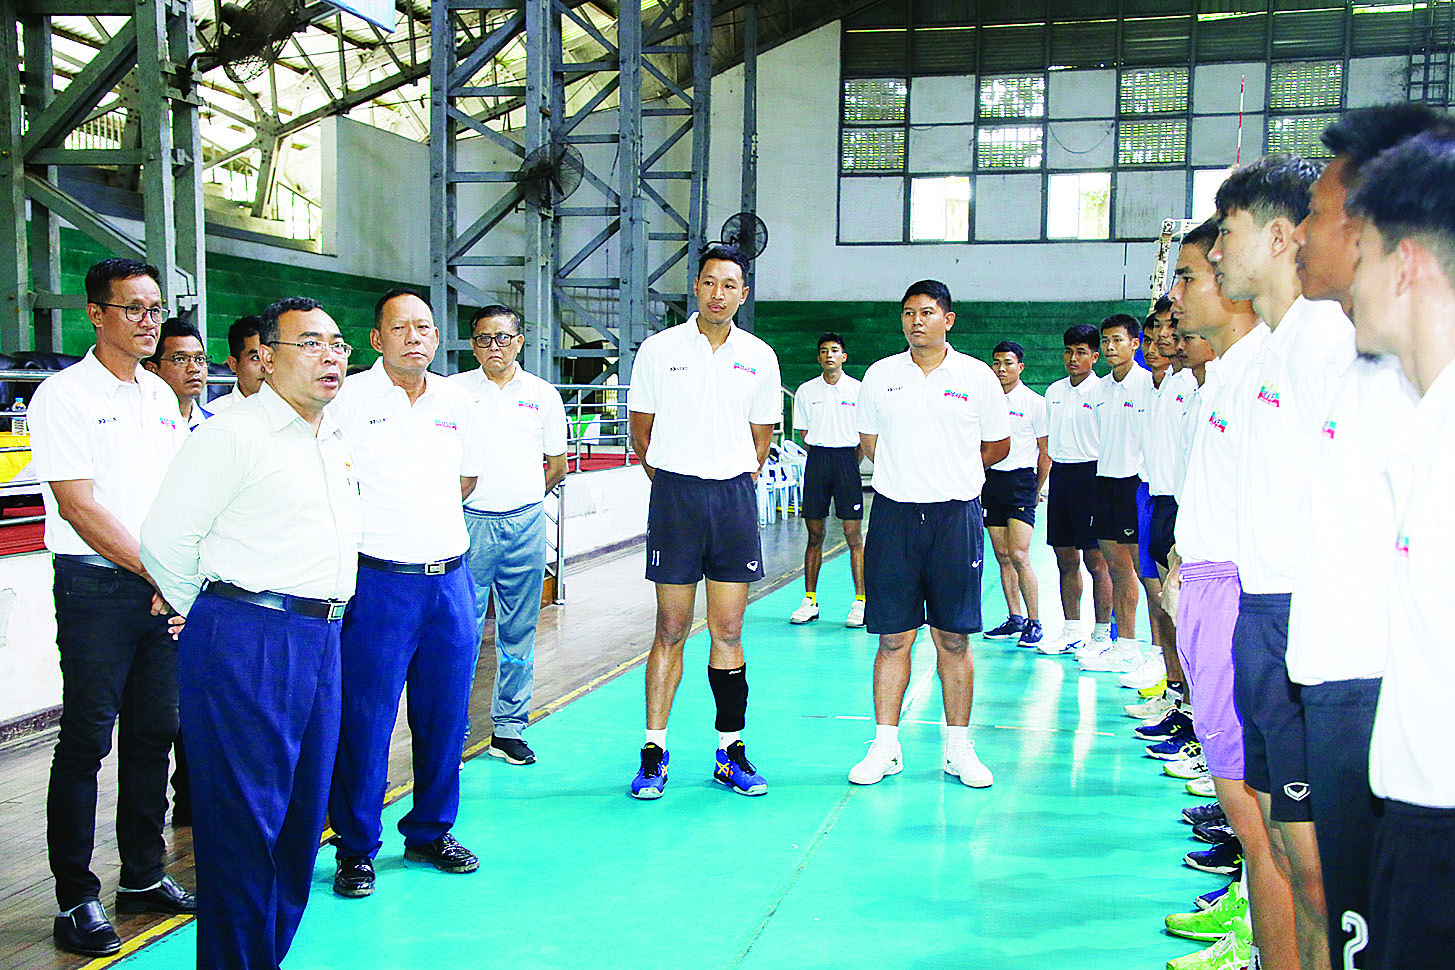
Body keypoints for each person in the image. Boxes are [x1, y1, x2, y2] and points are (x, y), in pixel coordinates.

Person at [140, 296, 360, 970]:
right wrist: (215, 613)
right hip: (250, 637)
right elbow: (164, 540)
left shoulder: (330, 438)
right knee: (243, 829)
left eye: (338, 344)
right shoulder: (234, 435)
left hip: (321, 639)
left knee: (300, 825)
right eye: (310, 343)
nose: (330, 357)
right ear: (263, 357)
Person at [1286, 106, 1449, 969]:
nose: (1341, 252)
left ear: (1401, 257)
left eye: (1363, 240)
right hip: (1402, 768)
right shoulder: (1413, 409)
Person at [1209, 152, 1353, 970]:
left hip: (1308, 621)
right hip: (1260, 615)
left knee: (1320, 874)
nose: (1216, 251)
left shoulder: (1326, 340)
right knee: (1288, 858)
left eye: (1226, 233)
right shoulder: (1266, 350)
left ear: (1276, 236)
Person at [28, 258, 193, 958]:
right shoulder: (62, 396)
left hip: (158, 585)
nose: (149, 321)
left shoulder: (158, 395)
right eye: (133, 309)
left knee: (153, 734)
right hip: (96, 587)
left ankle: (143, 876)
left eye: (155, 309)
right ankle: (75, 898)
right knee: (86, 740)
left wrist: (176, 573)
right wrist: (157, 570)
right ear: (97, 314)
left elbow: (175, 495)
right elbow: (79, 505)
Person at [326, 288, 482, 897]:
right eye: (400, 327)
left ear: (437, 337)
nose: (414, 337)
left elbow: (466, 478)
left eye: (424, 327)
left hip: (449, 582)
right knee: (366, 720)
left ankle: (430, 832)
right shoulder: (347, 399)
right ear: (376, 339)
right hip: (378, 584)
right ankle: (356, 846)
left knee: (445, 717)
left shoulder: (456, 400)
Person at [1166, 219, 1292, 970]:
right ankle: (1251, 925)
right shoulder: (1229, 373)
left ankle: (1261, 945)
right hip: (1211, 589)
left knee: (1259, 818)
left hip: (1241, 597)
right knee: (1249, 813)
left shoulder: (1262, 372)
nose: (1176, 294)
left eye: (1188, 276)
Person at [1345, 127, 1455, 970]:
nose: (1350, 281)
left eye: (1363, 254)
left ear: (1405, 265)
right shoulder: (1424, 426)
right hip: (1415, 812)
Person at [626, 243, 782, 799]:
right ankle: (654, 751)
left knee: (729, 631)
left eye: (730, 285)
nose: (719, 294)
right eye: (710, 282)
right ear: (696, 287)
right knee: (670, 628)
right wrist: (678, 477)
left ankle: (729, 751)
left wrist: (724, 475)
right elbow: (641, 432)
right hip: (675, 498)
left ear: (743, 293)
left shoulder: (759, 356)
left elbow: (760, 440)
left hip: (733, 499)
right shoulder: (658, 349)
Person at [846, 280, 1010, 788]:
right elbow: (869, 442)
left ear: (948, 319)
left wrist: (950, 472)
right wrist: (911, 476)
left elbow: (997, 445)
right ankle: (885, 747)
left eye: (927, 312)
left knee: (953, 638)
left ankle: (958, 749)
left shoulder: (977, 377)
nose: (916, 321)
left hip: (956, 518)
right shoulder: (880, 375)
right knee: (893, 637)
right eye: (908, 313)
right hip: (893, 518)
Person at [451, 304, 568, 765]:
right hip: (469, 526)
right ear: (472, 344)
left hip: (525, 526)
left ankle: (509, 728)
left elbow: (556, 466)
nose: (493, 346)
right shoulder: (455, 392)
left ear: (519, 342)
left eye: (502, 337)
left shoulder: (543, 395)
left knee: (518, 632)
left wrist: (522, 498)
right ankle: (452, 730)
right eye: (483, 338)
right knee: (461, 632)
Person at [1079, 313, 1153, 673]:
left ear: (1135, 344)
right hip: (1104, 483)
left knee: (1146, 573)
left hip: (1134, 486)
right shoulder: (1099, 389)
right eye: (1105, 341)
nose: (1110, 347)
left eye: (1117, 340)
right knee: (1116, 568)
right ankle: (1126, 646)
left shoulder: (1147, 385)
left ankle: (1158, 654)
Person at [1038, 324, 1114, 657]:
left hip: (1092, 477)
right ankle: (1071, 631)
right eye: (1069, 351)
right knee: (1065, 559)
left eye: (1081, 352)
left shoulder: (1103, 392)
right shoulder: (1054, 391)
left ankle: (1102, 634)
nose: (1073, 358)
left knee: (1097, 562)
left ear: (1095, 357)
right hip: (1062, 477)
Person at [788, 332, 865, 628]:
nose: (829, 355)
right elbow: (804, 434)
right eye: (823, 350)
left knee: (853, 535)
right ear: (819, 357)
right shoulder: (806, 391)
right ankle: (810, 601)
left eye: (834, 350)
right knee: (815, 535)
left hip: (847, 460)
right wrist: (824, 455)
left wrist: (850, 462)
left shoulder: (858, 390)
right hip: (818, 461)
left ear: (843, 356)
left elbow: (865, 435)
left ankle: (861, 602)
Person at [980, 339, 1049, 650]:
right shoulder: (985, 401)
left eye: (1008, 363)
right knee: (1003, 556)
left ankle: (1035, 621)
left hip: (1021, 483)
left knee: (1020, 555)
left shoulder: (1035, 402)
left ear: (1020, 367)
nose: (1001, 368)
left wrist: (1037, 488)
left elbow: (1045, 452)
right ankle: (1015, 618)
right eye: (996, 362)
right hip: (992, 481)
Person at [144, 318, 212, 429]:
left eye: (199, 359)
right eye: (180, 359)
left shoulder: (213, 423)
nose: (194, 368)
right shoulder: (143, 422)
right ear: (152, 369)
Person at [205, 316, 265, 413]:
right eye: (256, 358)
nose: (266, 366)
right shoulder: (213, 415)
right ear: (233, 364)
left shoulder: (290, 411)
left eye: (271, 356)